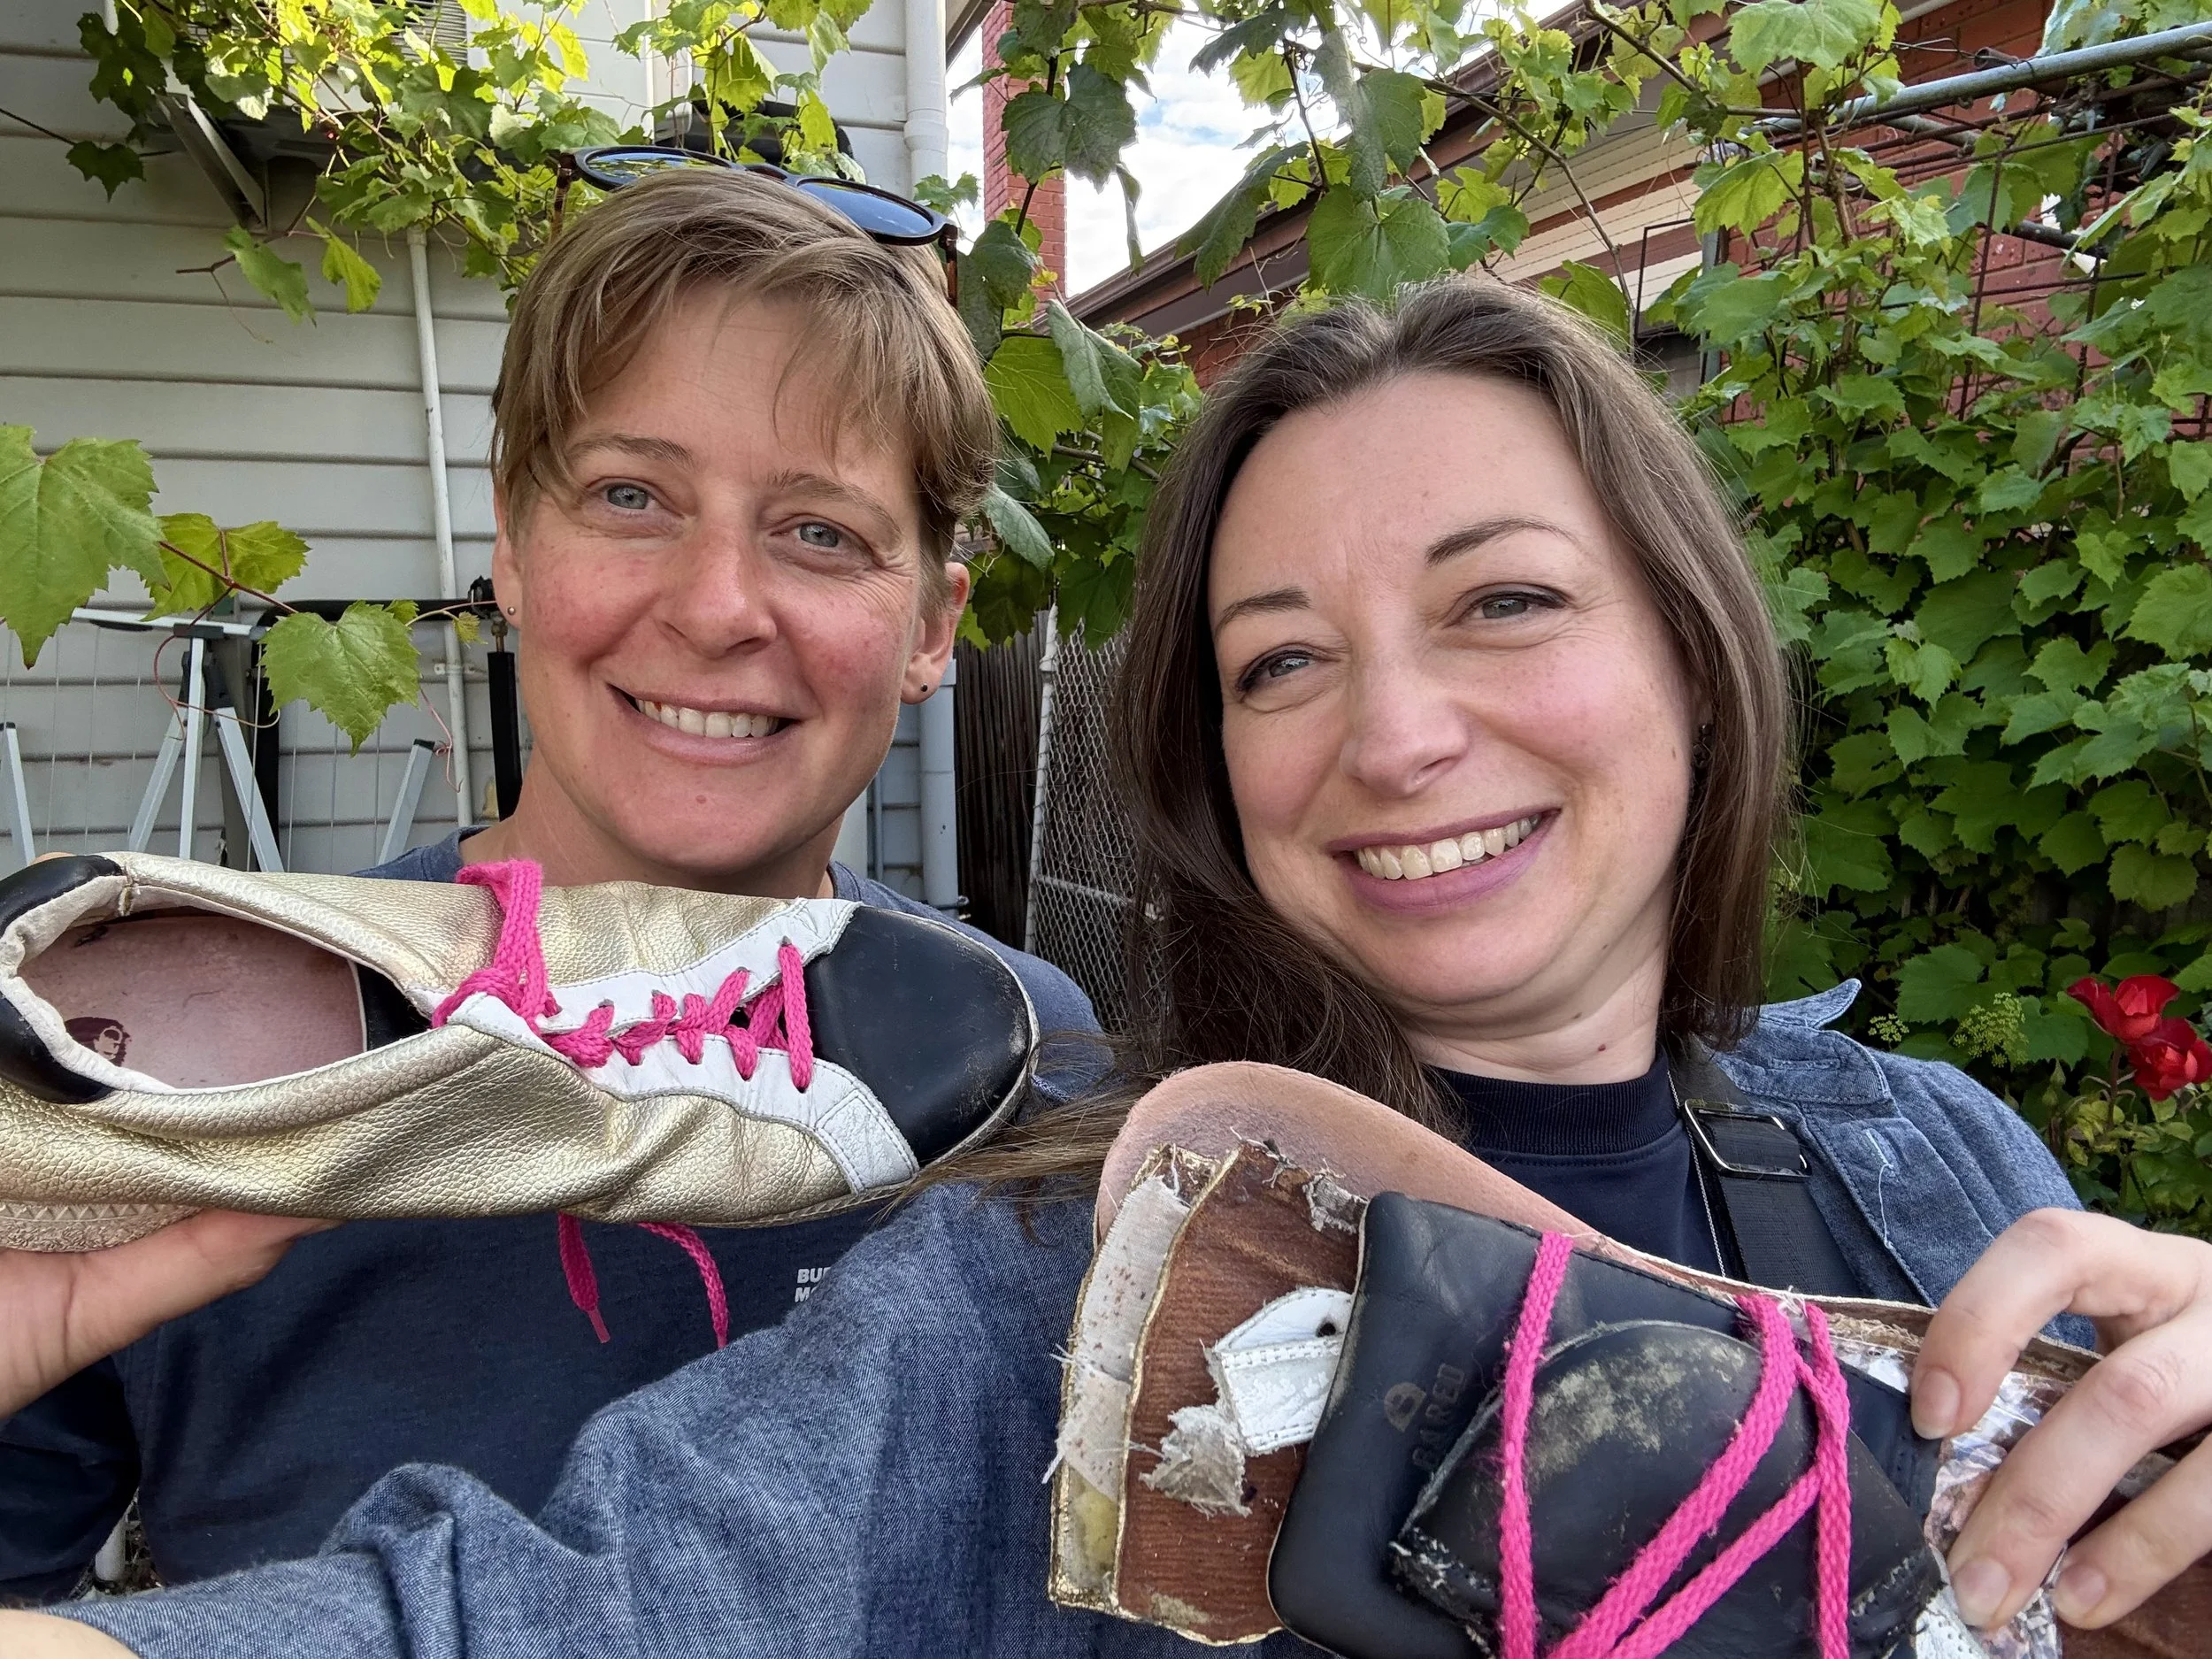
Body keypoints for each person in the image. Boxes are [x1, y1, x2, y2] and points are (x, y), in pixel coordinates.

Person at [9, 276, 2212, 1658]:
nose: (1393, 733)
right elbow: (494, 1617)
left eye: (1506, 601)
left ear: (1694, 656)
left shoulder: (1931, 1159)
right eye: (1281, 662)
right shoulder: (1098, 1242)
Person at [0, 167, 1095, 1599]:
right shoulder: (172, 1072)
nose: (714, 606)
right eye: (631, 496)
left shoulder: (1026, 1056)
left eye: (821, 530)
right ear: (512, 543)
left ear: (932, 624)